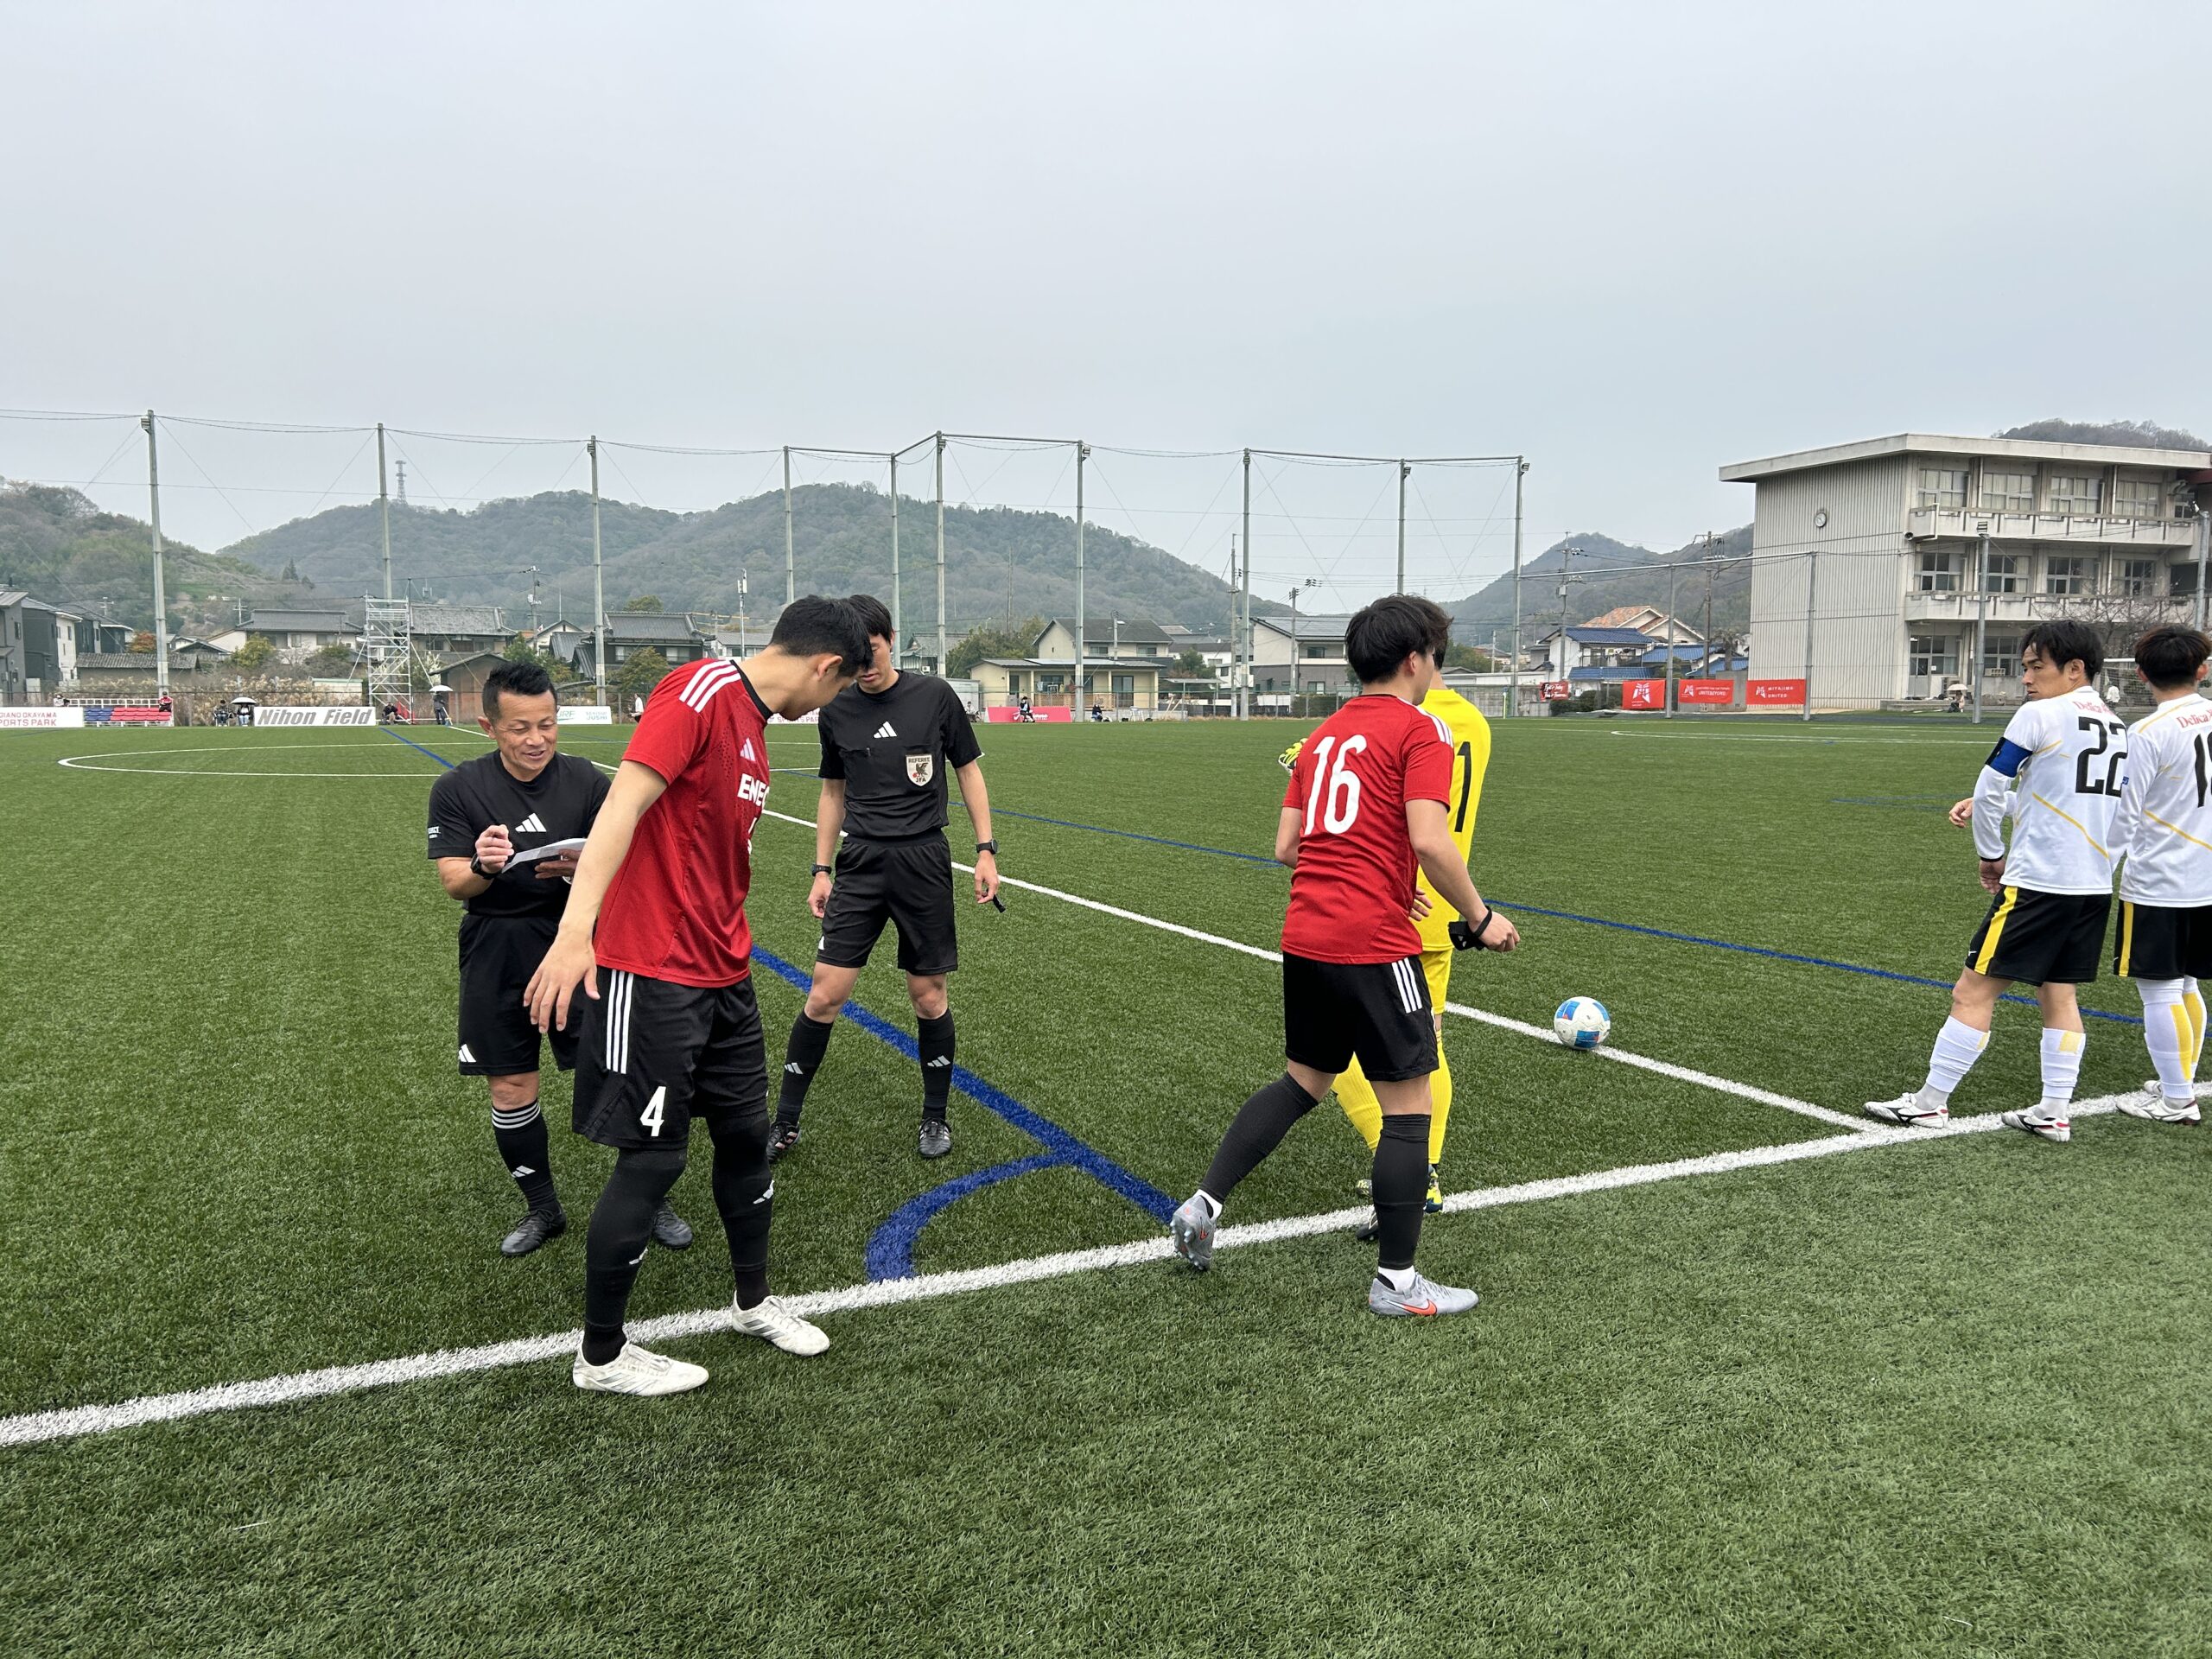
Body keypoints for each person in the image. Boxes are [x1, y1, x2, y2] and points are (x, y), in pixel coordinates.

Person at [524, 595, 869, 1397]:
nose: (832, 704)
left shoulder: (753, 726)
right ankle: (601, 1358)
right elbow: (623, 804)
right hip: (651, 974)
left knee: (746, 1139)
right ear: (826, 667)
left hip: (724, 973)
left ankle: (753, 1303)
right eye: (839, 688)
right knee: (655, 1160)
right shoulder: (699, 692)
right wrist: (576, 933)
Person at [1168, 594, 1520, 1316]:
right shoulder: (1422, 729)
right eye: (1435, 659)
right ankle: (1397, 1282)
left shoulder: (1324, 736)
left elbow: (1287, 847)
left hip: (1307, 937)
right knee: (1411, 1102)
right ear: (1415, 660)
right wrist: (1479, 917)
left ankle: (1203, 1205)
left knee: (1303, 1082)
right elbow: (1430, 839)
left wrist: (1378, 879)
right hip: (1374, 945)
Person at [427, 661, 690, 1257]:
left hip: (585, 943)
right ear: (489, 726)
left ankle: (649, 1198)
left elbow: (629, 858)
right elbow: (453, 882)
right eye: (520, 728)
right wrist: (483, 865)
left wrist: (586, 868)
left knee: (625, 1074)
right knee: (511, 1083)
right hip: (497, 947)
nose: (537, 739)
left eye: (546, 724)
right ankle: (542, 1208)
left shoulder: (587, 781)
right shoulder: (458, 788)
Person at [1865, 620, 2126, 1142]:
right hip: (2093, 886)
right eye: (2025, 667)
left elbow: (1991, 785)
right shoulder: (2118, 727)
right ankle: (2053, 1111)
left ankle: (1929, 1104)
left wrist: (1991, 855)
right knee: (2059, 995)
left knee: (1972, 990)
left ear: (2075, 669)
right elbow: (2081, 803)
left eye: (2036, 667)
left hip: (2039, 884)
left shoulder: (2038, 714)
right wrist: (2008, 806)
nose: (2026, 678)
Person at [769, 594, 1000, 1161]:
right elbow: (833, 792)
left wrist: (985, 851)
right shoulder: (837, 707)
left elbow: (968, 772)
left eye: (871, 650)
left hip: (923, 861)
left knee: (928, 996)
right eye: (853, 654)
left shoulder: (935, 697)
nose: (864, 663)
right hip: (861, 863)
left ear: (891, 639)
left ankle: (935, 1117)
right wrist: (821, 868)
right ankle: (785, 1122)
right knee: (825, 993)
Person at [1280, 664, 1493, 1235]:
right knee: (1427, 1045)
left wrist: (1322, 763)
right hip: (1443, 901)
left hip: (1389, 904)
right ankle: (1424, 1170)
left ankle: (1403, 1168)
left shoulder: (1408, 722)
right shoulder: (1471, 722)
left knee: (1356, 1054)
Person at [2106, 624, 2212, 1126]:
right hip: (2207, 875)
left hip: (2161, 876)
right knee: (2187, 982)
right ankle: (2180, 1080)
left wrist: (2100, 871)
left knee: (2161, 989)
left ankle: (2177, 1099)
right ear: (2202, 670)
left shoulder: (2147, 733)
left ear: (2141, 674)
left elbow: (2124, 815)